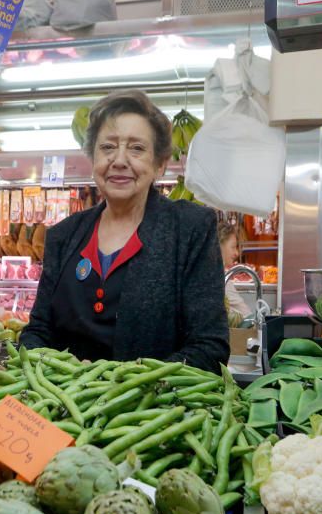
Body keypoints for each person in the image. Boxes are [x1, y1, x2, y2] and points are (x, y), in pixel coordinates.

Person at [20, 90, 229, 372]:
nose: (119, 160)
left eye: (137, 148)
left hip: (152, 410)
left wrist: (122, 383)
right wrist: (47, 369)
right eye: (107, 147)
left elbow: (209, 347)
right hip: (63, 407)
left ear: (159, 164)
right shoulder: (64, 236)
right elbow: (38, 331)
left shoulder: (190, 228)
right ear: (92, 158)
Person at [219, 220, 250, 323]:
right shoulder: (220, 277)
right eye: (233, 247)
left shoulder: (220, 273)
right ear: (219, 246)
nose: (236, 253)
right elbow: (246, 315)